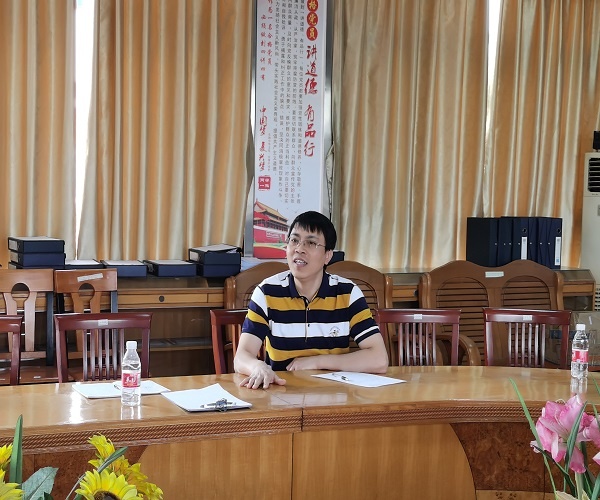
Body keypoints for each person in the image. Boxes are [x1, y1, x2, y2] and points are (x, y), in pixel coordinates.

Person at [234, 210, 389, 389]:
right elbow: (242, 357)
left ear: (327, 255)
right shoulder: (267, 292)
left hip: (335, 395)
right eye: (294, 240)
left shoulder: (347, 293)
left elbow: (379, 359)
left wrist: (316, 362)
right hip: (283, 392)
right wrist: (258, 366)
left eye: (311, 243)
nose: (299, 249)